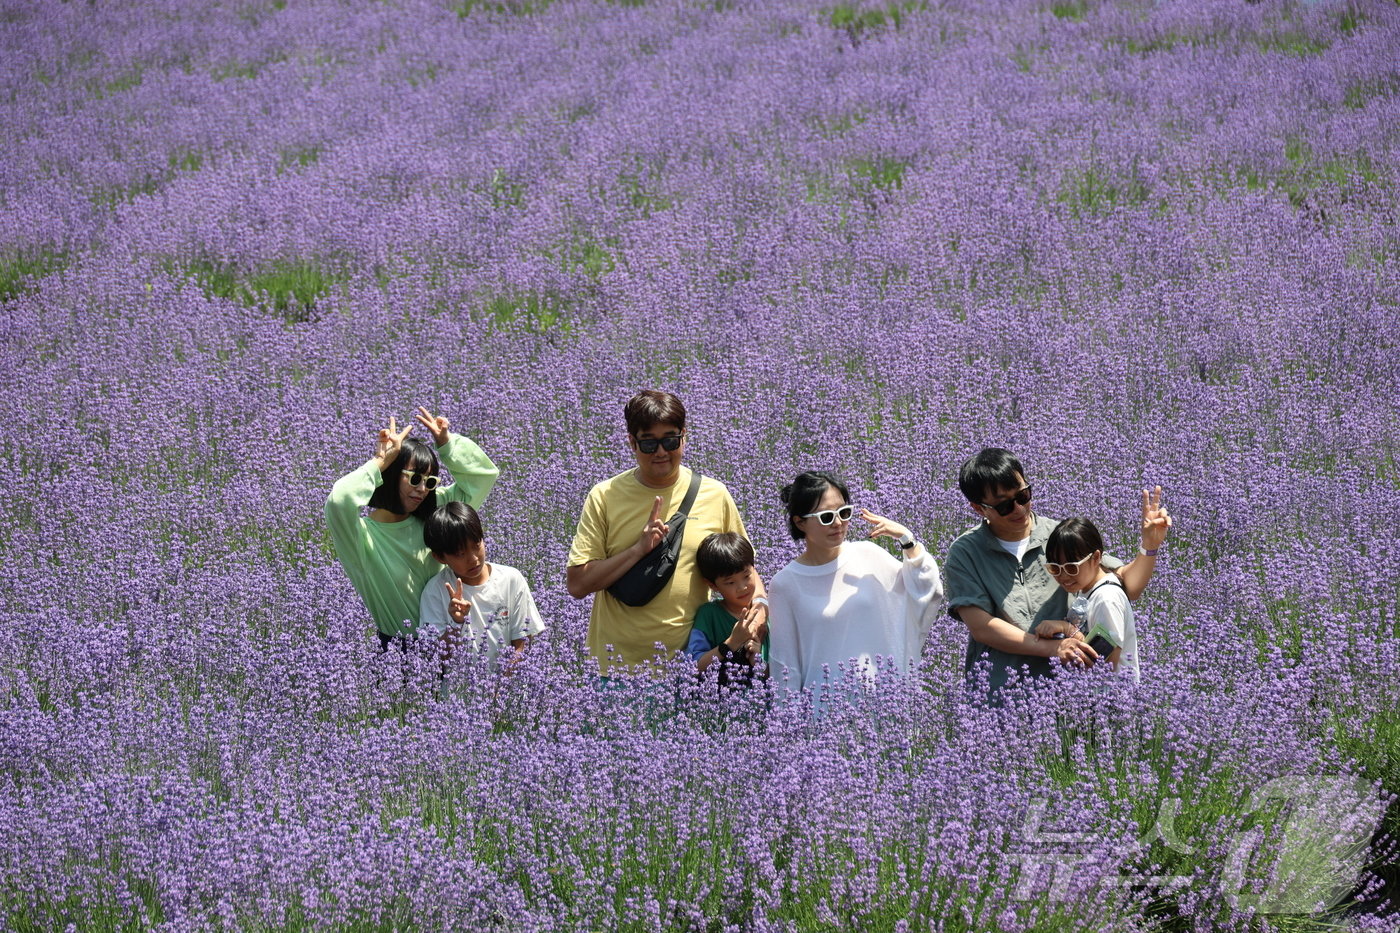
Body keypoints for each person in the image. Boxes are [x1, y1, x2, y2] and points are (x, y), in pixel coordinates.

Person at [566, 390, 767, 676]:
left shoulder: (715, 495)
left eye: (670, 440)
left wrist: (759, 611)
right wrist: (637, 550)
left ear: (684, 437)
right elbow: (577, 585)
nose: (661, 452)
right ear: (632, 443)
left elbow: (746, 571)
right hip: (615, 670)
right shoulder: (604, 496)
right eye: (648, 443)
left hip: (688, 669)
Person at [944, 448, 1169, 697]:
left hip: (1066, 695)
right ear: (979, 508)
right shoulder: (966, 553)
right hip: (1000, 693)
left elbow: (1124, 584)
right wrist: (1054, 648)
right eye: (1005, 505)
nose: (1019, 509)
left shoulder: (1056, 535)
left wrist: (1149, 546)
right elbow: (982, 626)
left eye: (1023, 496)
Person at [325, 408, 498, 650]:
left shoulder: (434, 514)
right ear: (392, 475)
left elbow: (484, 476)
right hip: (400, 652)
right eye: (414, 478)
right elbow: (340, 499)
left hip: (457, 641)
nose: (422, 489)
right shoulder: (361, 537)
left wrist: (448, 445)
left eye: (429, 482)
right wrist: (381, 461)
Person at [766, 471, 945, 694]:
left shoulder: (868, 554)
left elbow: (923, 590)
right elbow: (784, 664)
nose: (838, 523)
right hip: (825, 711)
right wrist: (787, 723)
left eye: (844, 512)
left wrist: (906, 539)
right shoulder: (785, 584)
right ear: (800, 523)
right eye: (826, 517)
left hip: (885, 700)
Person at [417, 502, 545, 669]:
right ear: (440, 558)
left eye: (476, 545)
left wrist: (500, 690)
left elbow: (522, 644)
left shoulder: (511, 580)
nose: (473, 559)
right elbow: (437, 658)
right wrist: (456, 623)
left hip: (508, 689)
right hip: (459, 692)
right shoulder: (435, 591)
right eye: (460, 554)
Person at [1035, 518, 1139, 683]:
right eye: (1055, 568)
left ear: (1096, 558)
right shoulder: (1088, 590)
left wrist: (1068, 630)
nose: (1063, 576)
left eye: (1071, 567)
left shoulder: (1106, 599)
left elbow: (1105, 664)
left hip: (1112, 701)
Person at [687, 532, 767, 687]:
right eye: (730, 583)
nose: (742, 587)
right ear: (712, 585)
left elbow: (780, 674)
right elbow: (692, 667)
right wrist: (731, 643)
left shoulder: (768, 614)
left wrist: (758, 661)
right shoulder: (709, 614)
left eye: (747, 576)